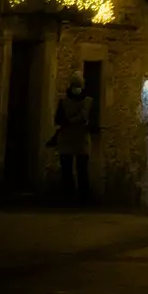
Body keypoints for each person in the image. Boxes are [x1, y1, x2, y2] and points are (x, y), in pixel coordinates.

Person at [53, 73, 94, 203]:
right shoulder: (87, 102)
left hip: (73, 140)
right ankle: (77, 198)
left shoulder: (66, 102)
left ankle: (75, 197)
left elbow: (58, 119)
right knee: (73, 170)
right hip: (75, 140)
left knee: (76, 170)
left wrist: (68, 121)